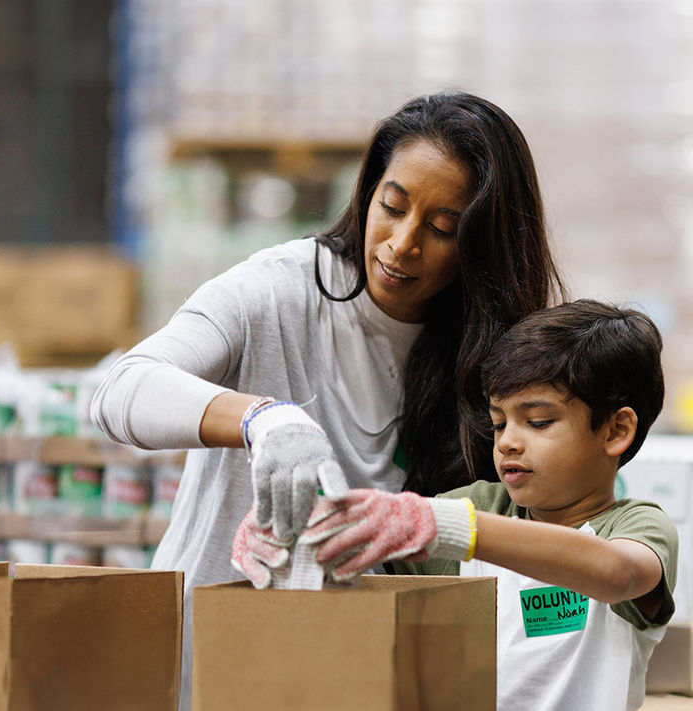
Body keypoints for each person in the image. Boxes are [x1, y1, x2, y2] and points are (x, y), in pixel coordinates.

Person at [89, 91, 564, 704]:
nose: (401, 243)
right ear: (367, 194)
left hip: (359, 676)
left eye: (442, 229)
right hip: (207, 671)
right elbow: (121, 390)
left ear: (482, 246)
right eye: (391, 207)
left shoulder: (490, 365)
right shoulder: (278, 291)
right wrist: (265, 419)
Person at [304, 299, 674, 711]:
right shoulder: (479, 505)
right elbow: (362, 564)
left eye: (537, 422)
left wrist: (448, 527)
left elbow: (617, 573)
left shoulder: (636, 526)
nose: (507, 441)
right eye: (499, 422)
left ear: (616, 430)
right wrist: (308, 533)